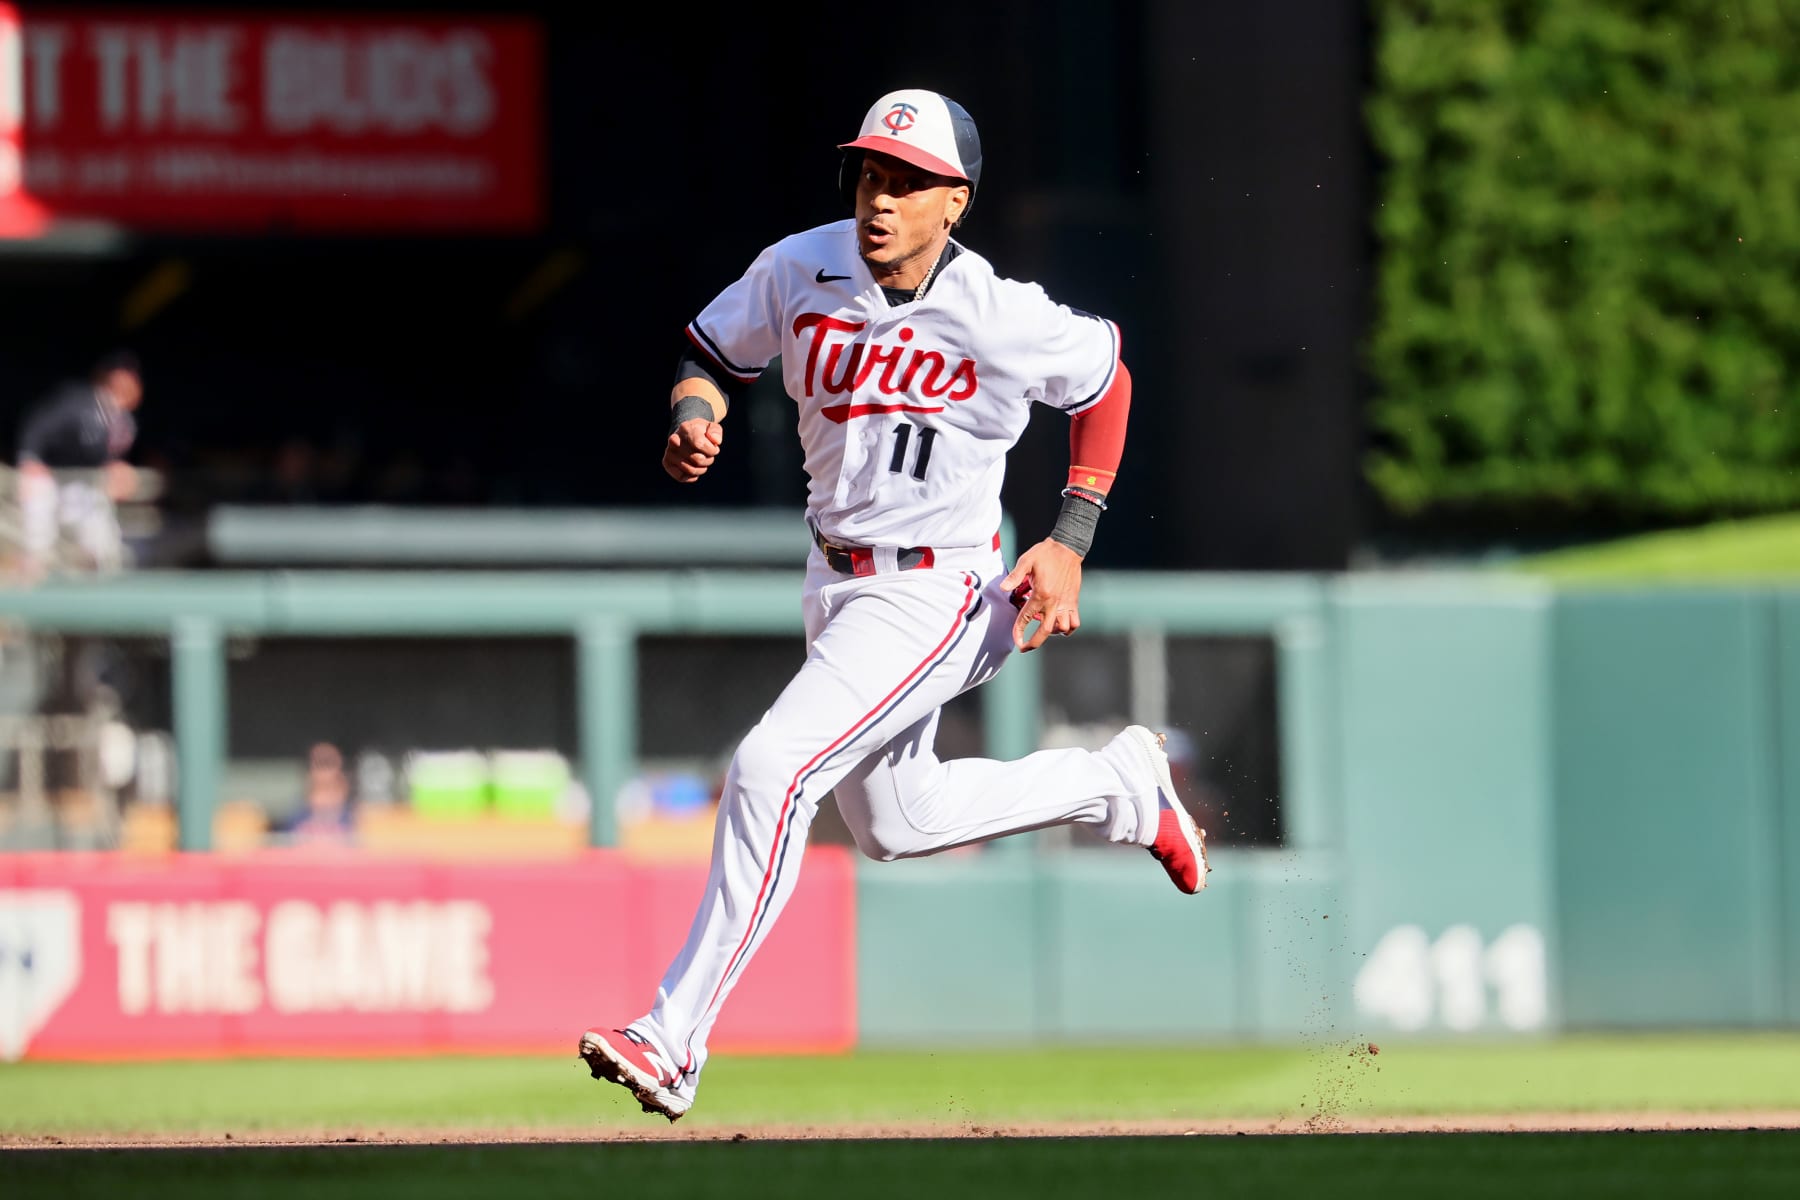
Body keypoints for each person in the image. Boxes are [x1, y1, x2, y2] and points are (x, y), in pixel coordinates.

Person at [579, 88, 1211, 1121]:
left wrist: (1072, 539)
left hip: (947, 586)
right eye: (870, 173)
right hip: (835, 579)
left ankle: (672, 1037)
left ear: (954, 201)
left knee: (772, 770)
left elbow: (1107, 382)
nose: (881, 199)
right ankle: (1118, 787)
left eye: (908, 183)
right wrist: (694, 413)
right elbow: (710, 355)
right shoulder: (799, 266)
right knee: (895, 821)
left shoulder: (1000, 312)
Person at [11, 350, 144, 576]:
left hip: (81, 484)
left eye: (130, 378)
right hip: (47, 476)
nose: (125, 384)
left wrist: (116, 469)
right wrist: (29, 459)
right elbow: (38, 426)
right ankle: (31, 588)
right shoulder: (77, 400)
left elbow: (107, 457)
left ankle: (94, 591)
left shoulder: (124, 421)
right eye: (118, 377)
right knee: (38, 533)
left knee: (99, 537)